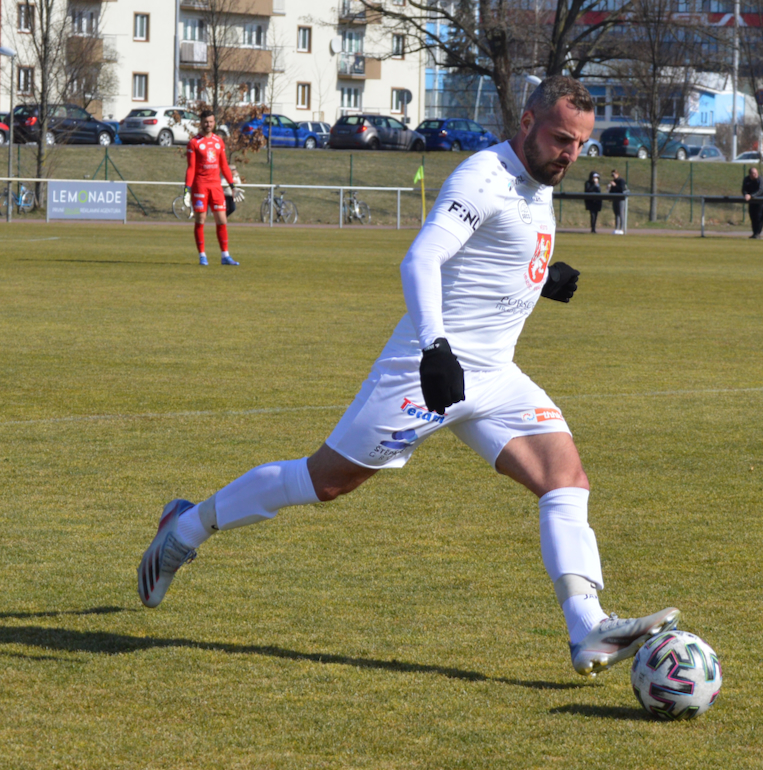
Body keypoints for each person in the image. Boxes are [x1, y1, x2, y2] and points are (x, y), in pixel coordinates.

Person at [136, 75, 680, 680]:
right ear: (526, 123)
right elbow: (422, 257)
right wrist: (434, 349)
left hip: (495, 377)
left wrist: (538, 276)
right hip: (428, 372)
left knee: (566, 480)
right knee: (324, 482)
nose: (569, 154)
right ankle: (185, 528)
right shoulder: (484, 176)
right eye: (560, 139)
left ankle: (587, 627)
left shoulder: (538, 182)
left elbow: (491, 251)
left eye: (579, 144)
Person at [186, 110, 239, 266]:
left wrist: (232, 185)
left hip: (216, 186)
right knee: (200, 220)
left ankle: (225, 256)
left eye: (210, 121)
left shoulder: (219, 141)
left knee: (222, 220)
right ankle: (202, 255)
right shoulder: (194, 142)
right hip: (200, 186)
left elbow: (224, 165)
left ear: (214, 123)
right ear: (201, 123)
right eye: (205, 122)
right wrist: (187, 188)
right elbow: (191, 168)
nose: (208, 124)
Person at [741, 166, 763, 238]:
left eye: (756, 173)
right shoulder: (746, 179)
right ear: (750, 174)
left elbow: (760, 190)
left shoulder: (760, 179)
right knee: (752, 216)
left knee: (759, 217)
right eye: (754, 173)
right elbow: (744, 189)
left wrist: (751, 195)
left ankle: (758, 233)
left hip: (760, 201)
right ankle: (754, 233)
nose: (756, 174)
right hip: (751, 201)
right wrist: (746, 194)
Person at [607, 169, 627, 235]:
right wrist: (609, 189)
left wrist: (615, 185)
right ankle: (617, 228)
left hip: (621, 199)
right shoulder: (613, 181)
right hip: (615, 199)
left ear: (617, 174)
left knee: (621, 213)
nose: (613, 176)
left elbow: (621, 189)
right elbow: (612, 191)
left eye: (614, 174)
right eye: (612, 175)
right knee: (616, 214)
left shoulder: (621, 181)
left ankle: (622, 228)